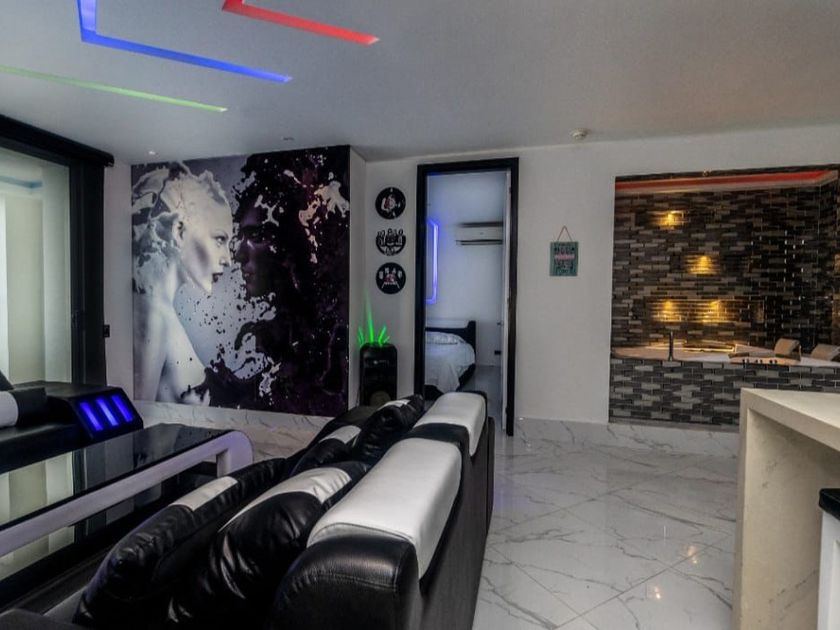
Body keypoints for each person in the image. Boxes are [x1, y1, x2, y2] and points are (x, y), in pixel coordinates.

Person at [205, 149, 350, 415]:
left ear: (290, 246)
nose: (239, 255)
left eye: (257, 237)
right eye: (240, 237)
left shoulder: (328, 343)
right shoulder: (255, 338)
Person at [132, 163, 233, 403]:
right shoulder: (153, 316)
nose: (228, 259)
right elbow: (139, 413)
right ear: (179, 232)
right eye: (220, 239)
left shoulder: (162, 312)